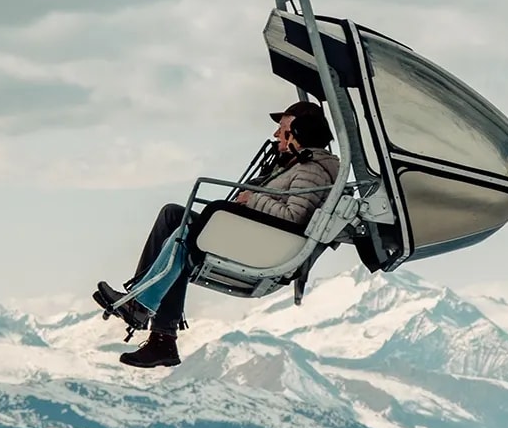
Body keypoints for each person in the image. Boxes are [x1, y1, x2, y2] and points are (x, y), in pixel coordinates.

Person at [93, 99, 340, 369]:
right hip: (254, 234)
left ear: (300, 134)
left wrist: (253, 198)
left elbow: (294, 217)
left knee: (184, 237)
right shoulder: (294, 165)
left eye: (283, 130)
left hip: (264, 245)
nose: (276, 136)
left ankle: (142, 308)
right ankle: (159, 335)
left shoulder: (312, 171)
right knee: (173, 216)